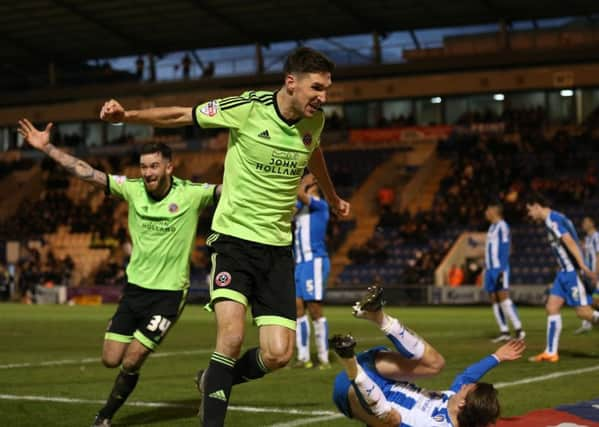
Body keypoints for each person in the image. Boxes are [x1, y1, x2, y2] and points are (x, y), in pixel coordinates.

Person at [99, 46, 350, 426]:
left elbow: (313, 152)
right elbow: (183, 114)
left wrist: (331, 196)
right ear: (291, 83)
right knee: (230, 340)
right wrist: (126, 116)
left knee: (279, 354)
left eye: (327, 89)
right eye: (317, 88)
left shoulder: (314, 121)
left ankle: (215, 381)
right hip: (234, 241)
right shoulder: (248, 109)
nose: (323, 97)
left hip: (278, 250)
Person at [17, 119, 220, 427]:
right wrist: (47, 148)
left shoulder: (192, 194)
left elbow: (229, 190)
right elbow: (85, 171)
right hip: (134, 291)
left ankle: (104, 417)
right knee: (110, 359)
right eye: (143, 166)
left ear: (169, 167)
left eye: (154, 166)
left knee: (133, 358)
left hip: (168, 294)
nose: (148, 173)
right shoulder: (132, 189)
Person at [330, 285, 526, 427]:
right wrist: (497, 356)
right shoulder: (453, 398)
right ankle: (378, 316)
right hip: (381, 371)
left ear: (463, 403)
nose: (465, 385)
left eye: (467, 389)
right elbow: (468, 376)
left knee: (391, 420)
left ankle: (349, 361)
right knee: (436, 364)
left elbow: (389, 418)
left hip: (352, 392)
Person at [526, 194, 599, 362]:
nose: (529, 215)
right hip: (563, 273)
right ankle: (551, 352)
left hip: (572, 272)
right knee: (552, 307)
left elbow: (569, 241)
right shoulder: (557, 218)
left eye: (529, 210)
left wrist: (582, 266)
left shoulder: (553, 219)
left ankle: (551, 352)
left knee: (583, 312)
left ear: (537, 205)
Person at [293, 173, 331, 369]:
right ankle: (303, 357)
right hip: (299, 263)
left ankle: (324, 359)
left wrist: (301, 183)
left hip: (314, 261)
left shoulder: (321, 205)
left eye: (308, 179)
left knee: (315, 308)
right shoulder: (301, 207)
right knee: (298, 308)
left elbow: (300, 194)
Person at [484, 202, 525, 342]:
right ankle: (504, 331)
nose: (486, 212)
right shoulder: (491, 227)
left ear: (495, 211)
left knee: (504, 298)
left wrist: (501, 269)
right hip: (490, 268)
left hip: (498, 268)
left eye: (488, 209)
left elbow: (506, 248)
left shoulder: (502, 226)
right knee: (494, 299)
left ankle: (519, 329)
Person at [575, 216, 599, 334]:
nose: (583, 224)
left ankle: (588, 323)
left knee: (594, 301)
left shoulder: (596, 237)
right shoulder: (587, 239)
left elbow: (598, 256)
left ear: (592, 223)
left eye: (585, 222)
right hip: (588, 274)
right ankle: (587, 324)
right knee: (587, 299)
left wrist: (596, 273)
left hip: (595, 273)